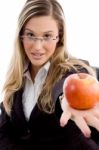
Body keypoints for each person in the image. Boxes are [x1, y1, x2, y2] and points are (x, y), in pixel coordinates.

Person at [0, 0, 99, 149]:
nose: (37, 47)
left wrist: (66, 99)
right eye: (30, 35)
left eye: (47, 36)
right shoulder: (16, 80)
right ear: (21, 36)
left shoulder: (74, 69)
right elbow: (4, 132)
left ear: (59, 37)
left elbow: (66, 85)